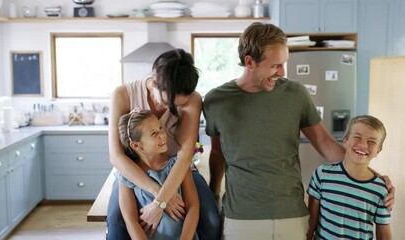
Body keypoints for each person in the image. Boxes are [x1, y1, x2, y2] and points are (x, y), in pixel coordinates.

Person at [202, 22, 394, 239]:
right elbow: (218, 154)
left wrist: (373, 177)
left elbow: (326, 144)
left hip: (291, 215)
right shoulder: (216, 100)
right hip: (242, 217)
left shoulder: (295, 94)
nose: (282, 72)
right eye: (275, 65)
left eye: (284, 63)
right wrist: (214, 194)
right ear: (249, 61)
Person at [108, 48, 221, 240]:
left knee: (211, 219)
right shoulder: (123, 94)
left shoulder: (192, 100)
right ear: (154, 83)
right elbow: (116, 157)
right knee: (116, 221)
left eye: (179, 105)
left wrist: (160, 200)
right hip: (134, 172)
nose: (171, 109)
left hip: (178, 168)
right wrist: (160, 196)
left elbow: (185, 156)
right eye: (168, 103)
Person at [115, 110, 199, 239]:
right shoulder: (127, 176)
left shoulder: (178, 166)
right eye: (154, 133)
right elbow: (130, 221)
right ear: (137, 145)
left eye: (160, 128)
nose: (163, 135)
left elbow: (193, 207)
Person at [307, 115, 391, 240]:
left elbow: (384, 235)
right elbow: (310, 223)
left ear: (378, 150)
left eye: (372, 141)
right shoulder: (322, 175)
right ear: (345, 140)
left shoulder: (381, 190)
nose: (363, 144)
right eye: (357, 137)